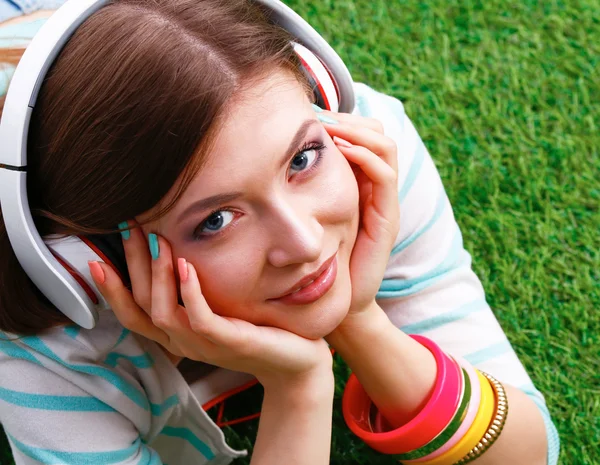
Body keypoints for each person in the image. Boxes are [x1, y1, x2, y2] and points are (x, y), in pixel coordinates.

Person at [0, 1, 559, 464]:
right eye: (214, 221)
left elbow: (527, 453)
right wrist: (299, 389)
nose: (307, 244)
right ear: (90, 259)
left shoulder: (364, 161)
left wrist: (358, 319)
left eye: (301, 159)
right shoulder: (43, 352)